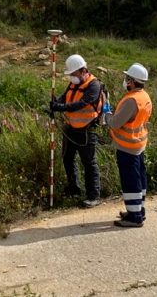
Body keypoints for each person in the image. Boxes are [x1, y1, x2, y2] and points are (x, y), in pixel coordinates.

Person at [49, 54, 103, 208]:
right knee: (67, 159)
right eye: (70, 74)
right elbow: (65, 97)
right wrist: (55, 104)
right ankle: (74, 190)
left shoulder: (94, 85)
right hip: (71, 128)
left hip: (86, 131)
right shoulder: (74, 84)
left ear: (82, 70)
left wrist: (62, 108)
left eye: (73, 74)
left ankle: (94, 196)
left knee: (89, 163)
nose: (71, 77)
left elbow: (82, 103)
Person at [104, 63, 152, 228]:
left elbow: (116, 123)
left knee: (130, 180)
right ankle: (139, 210)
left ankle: (134, 217)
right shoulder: (144, 96)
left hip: (128, 146)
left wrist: (106, 116)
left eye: (127, 78)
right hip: (139, 143)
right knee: (139, 177)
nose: (125, 81)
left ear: (132, 81)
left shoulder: (132, 100)